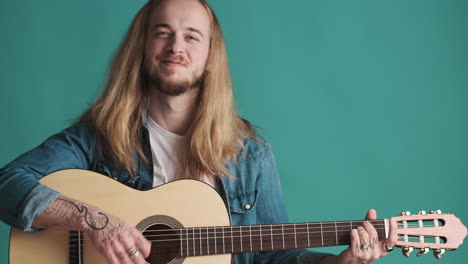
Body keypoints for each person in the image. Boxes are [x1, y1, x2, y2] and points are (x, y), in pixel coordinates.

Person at [0, 0, 396, 263]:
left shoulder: (249, 152)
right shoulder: (99, 136)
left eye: (192, 36)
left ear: (209, 58)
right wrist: (92, 220)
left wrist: (341, 262)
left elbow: (271, 257)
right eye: (162, 32)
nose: (176, 46)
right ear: (142, 46)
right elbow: (7, 184)